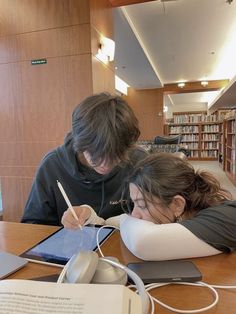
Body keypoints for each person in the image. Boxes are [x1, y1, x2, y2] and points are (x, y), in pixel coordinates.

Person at [62, 153, 236, 261]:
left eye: (143, 205)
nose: (134, 215)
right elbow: (112, 223)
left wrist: (123, 219)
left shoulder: (227, 218)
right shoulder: (186, 215)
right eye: (133, 204)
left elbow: (143, 241)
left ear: (177, 204)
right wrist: (89, 215)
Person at [21, 92, 146, 226]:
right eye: (96, 154)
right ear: (80, 143)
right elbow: (33, 225)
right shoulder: (52, 166)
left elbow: (155, 218)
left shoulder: (139, 162)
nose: (105, 164)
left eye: (116, 155)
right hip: (70, 245)